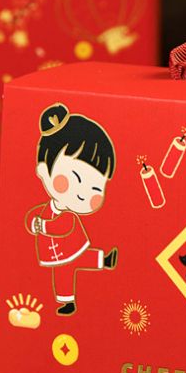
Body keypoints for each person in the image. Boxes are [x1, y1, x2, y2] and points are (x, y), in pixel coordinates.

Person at [25, 103, 117, 316]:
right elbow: (31, 217)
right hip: (58, 252)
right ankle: (104, 260)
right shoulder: (45, 209)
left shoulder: (67, 216)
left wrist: (42, 225)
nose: (82, 194)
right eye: (74, 179)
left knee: (68, 270)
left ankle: (68, 302)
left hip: (70, 246)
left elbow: (62, 226)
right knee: (80, 261)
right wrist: (33, 223)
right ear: (43, 171)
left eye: (96, 189)